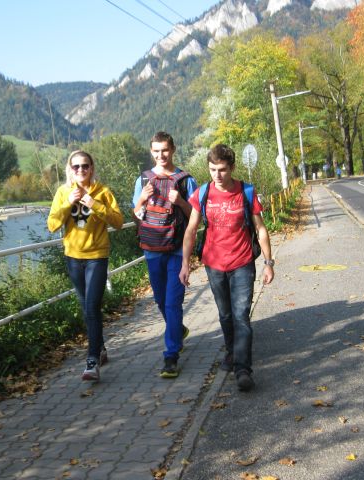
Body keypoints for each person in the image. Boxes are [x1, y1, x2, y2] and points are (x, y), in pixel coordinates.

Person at [179, 144, 274, 391]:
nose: (217, 175)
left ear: (232, 167)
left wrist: (268, 263)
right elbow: (191, 230)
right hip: (213, 264)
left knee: (241, 314)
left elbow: (261, 229)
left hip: (242, 262)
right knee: (225, 315)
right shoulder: (202, 193)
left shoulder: (246, 191)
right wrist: (185, 264)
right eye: (212, 170)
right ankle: (232, 352)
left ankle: (243, 369)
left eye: (222, 169)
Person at [48, 150, 123, 381]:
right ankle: (100, 349)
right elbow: (52, 225)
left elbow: (118, 222)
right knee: (86, 308)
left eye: (85, 166)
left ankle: (92, 361)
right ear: (70, 169)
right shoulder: (63, 192)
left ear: (92, 168)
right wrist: (67, 204)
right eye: (76, 166)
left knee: (91, 307)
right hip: (73, 257)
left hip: (97, 256)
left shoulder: (103, 192)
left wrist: (94, 204)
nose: (81, 170)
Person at [132, 131, 198, 378]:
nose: (161, 155)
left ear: (173, 150)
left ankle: (171, 356)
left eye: (165, 150)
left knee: (172, 302)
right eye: (156, 151)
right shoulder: (143, 179)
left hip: (178, 250)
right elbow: (136, 216)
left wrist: (180, 202)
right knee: (160, 300)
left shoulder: (186, 180)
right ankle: (177, 329)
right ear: (151, 152)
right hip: (152, 250)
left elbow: (197, 216)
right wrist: (141, 200)